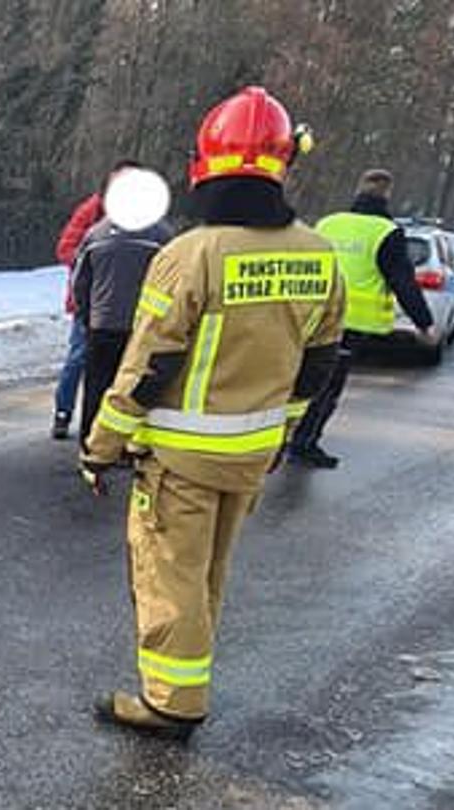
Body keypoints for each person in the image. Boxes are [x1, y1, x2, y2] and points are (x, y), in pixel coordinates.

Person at [81, 87, 344, 737]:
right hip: (251, 456)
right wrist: (284, 429)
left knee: (171, 578)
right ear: (283, 164)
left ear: (205, 163)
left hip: (181, 459)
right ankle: (185, 682)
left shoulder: (191, 255)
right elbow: (319, 360)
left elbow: (149, 365)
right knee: (208, 577)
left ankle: (171, 703)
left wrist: (101, 445)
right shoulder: (317, 254)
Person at [288, 170, 439, 469]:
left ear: (358, 191)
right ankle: (303, 443)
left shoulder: (328, 223)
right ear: (387, 195)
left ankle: (288, 438)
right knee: (327, 388)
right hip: (350, 322)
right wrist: (425, 324)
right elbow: (402, 281)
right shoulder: (386, 232)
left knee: (300, 378)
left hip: (309, 314)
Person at [51, 160, 143, 440]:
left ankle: (108, 425)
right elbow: (66, 248)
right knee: (79, 359)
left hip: (124, 303)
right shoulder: (92, 211)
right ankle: (63, 413)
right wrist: (96, 263)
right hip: (91, 301)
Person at [72, 199, 173, 443]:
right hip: (141, 328)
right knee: (134, 389)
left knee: (97, 387)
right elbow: (174, 279)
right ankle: (129, 444)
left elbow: (79, 282)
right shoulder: (160, 235)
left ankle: (91, 440)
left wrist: (88, 316)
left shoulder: (96, 234)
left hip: (102, 325)